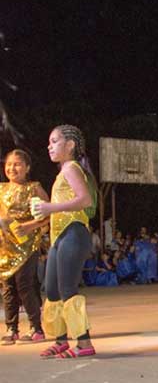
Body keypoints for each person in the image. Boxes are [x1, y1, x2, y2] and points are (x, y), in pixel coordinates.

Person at [33, 125, 98, 358]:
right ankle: (60, 340)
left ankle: (84, 343)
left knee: (67, 288)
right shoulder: (63, 171)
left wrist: (51, 207)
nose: (49, 146)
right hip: (60, 236)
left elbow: (84, 200)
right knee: (51, 289)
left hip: (74, 232)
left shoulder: (71, 168)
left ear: (69, 145)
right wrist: (39, 219)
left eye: (54, 141)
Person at [0, 150, 50, 345]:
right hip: (5, 248)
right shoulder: (1, 189)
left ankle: (36, 329)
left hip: (27, 246)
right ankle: (11, 329)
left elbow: (48, 215)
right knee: (7, 287)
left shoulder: (34, 188)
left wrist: (30, 226)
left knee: (25, 285)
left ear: (27, 168)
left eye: (18, 164)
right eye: (9, 164)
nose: (12, 168)